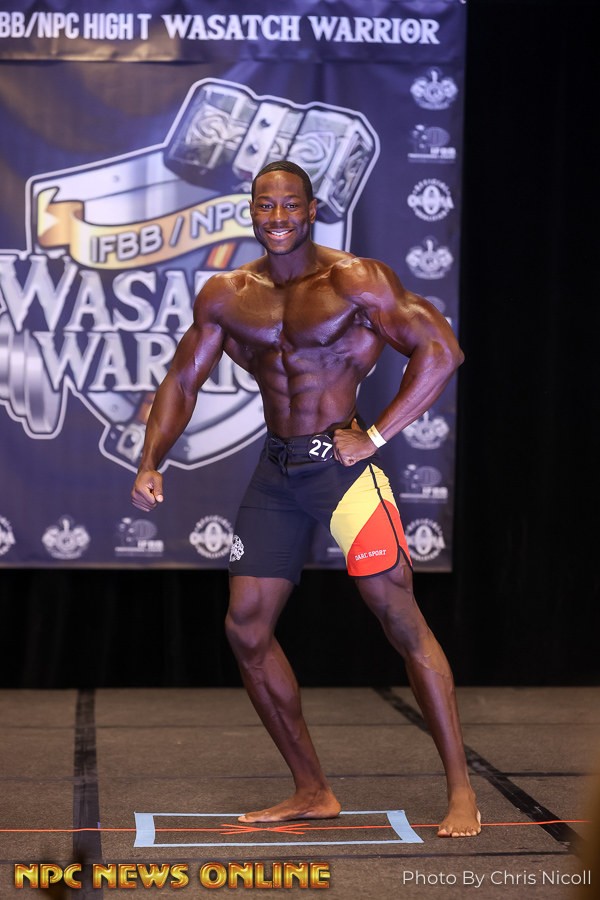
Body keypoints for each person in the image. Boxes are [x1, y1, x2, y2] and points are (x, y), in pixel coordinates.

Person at [131, 159, 480, 838]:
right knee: (246, 627)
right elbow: (182, 380)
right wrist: (151, 460)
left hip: (342, 470)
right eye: (266, 206)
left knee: (400, 620)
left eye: (291, 205)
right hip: (278, 469)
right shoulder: (228, 294)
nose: (279, 218)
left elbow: (442, 350)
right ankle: (313, 789)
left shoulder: (355, 280)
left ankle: (462, 790)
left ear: (313, 210)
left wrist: (374, 436)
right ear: (251, 211)